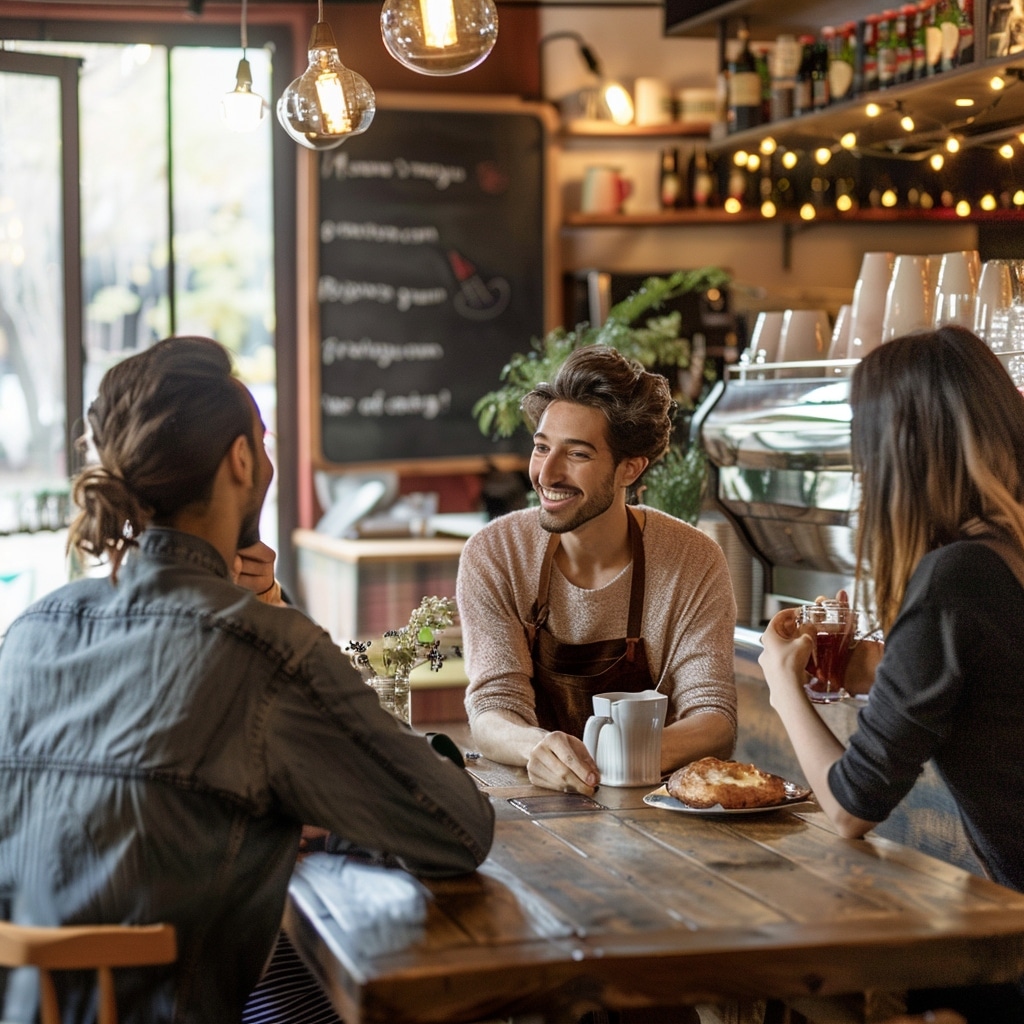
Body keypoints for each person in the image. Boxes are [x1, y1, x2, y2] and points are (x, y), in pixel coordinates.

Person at [0, 336, 495, 1024]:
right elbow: (459, 827)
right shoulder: (261, 645)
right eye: (262, 443)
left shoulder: (30, 633)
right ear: (241, 459)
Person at [758, 325, 1024, 1023]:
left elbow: (851, 807)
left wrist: (782, 682)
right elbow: (1000, 680)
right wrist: (879, 669)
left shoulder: (954, 579)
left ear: (900, 451)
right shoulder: (1002, 558)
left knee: (798, 969)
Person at [457, 345, 737, 796]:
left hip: (657, 808)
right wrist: (537, 748)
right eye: (541, 447)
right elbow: (493, 709)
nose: (547, 473)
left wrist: (618, 759)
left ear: (630, 467)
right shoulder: (495, 553)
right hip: (532, 801)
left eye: (578, 454)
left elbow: (714, 719)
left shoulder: (692, 559)